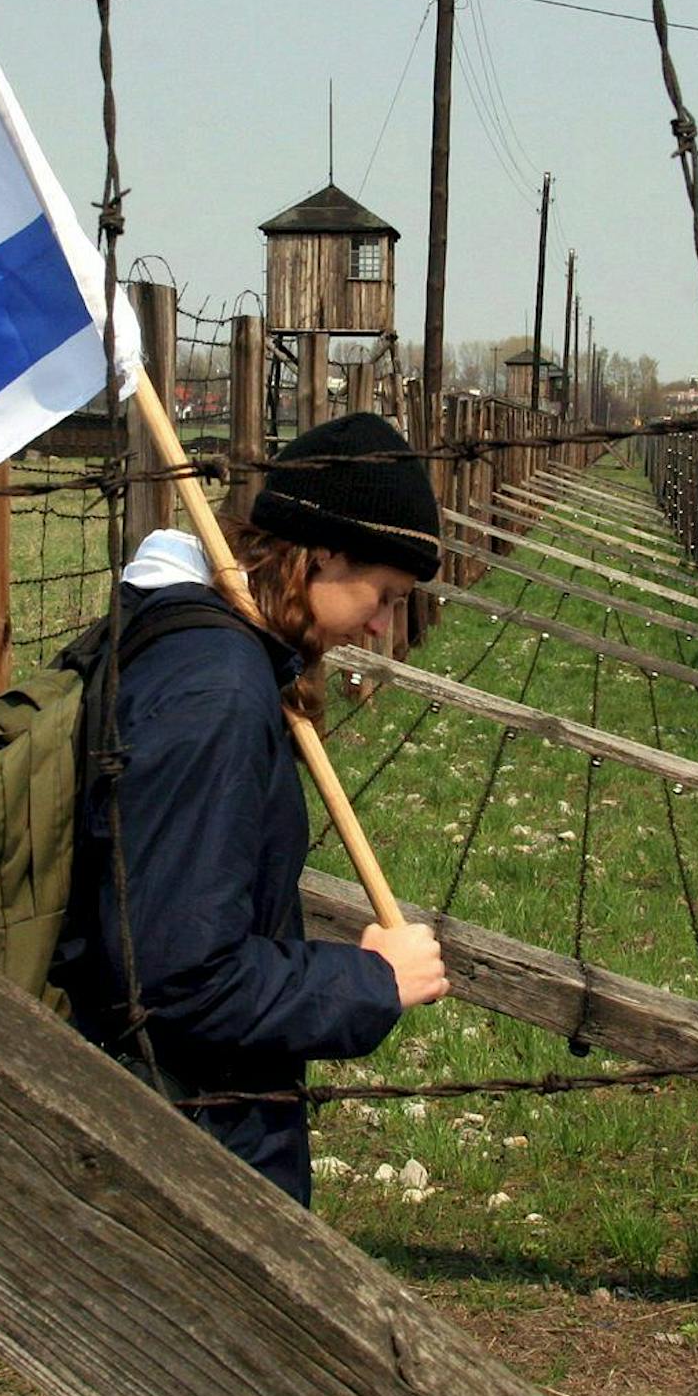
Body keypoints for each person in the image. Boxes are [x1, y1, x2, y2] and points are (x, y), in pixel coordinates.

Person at [50, 411, 450, 1206]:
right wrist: (371, 982)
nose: (381, 624)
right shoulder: (216, 691)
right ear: (324, 552)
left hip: (186, 1119)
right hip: (186, 1141)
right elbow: (178, 979)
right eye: (384, 594)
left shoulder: (208, 651)